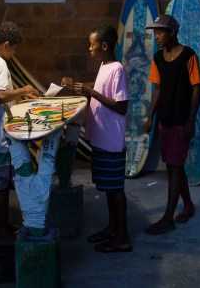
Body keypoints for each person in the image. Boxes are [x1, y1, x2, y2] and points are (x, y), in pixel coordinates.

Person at [62, 24, 132, 253]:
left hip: (112, 140)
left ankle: (123, 238)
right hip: (102, 138)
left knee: (116, 190)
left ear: (104, 46)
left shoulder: (118, 69)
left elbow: (121, 105)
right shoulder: (105, 65)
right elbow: (101, 88)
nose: (89, 48)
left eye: (92, 44)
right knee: (109, 189)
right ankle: (113, 228)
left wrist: (91, 93)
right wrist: (80, 86)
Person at [143, 14, 200, 235]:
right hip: (165, 120)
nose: (156, 36)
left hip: (181, 120)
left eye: (159, 32)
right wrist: (151, 117)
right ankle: (187, 205)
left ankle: (168, 217)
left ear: (172, 32)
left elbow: (197, 88)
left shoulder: (189, 55)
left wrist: (191, 120)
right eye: (154, 32)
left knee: (175, 166)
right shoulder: (158, 58)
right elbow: (157, 89)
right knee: (172, 165)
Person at [0, 22, 39, 244]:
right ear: (6, 45)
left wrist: (18, 97)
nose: (14, 53)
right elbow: (0, 96)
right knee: (1, 186)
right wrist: (24, 90)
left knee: (2, 185)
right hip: (0, 137)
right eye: (14, 48)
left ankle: (3, 225)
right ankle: (1, 228)